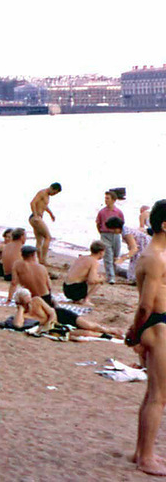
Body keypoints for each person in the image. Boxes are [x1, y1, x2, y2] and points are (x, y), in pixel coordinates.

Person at [126, 199, 166, 476]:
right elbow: (145, 305)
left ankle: (141, 451)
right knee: (159, 397)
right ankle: (146, 458)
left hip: (157, 323)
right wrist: (134, 331)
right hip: (157, 325)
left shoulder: (158, 254)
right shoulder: (154, 257)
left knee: (153, 393)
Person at [62, 241, 106, 306]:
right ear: (101, 252)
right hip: (74, 290)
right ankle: (86, 300)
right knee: (98, 281)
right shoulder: (94, 261)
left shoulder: (82, 257)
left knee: (91, 277)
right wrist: (101, 279)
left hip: (66, 288)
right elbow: (92, 280)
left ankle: (77, 299)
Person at [28, 182, 61, 266]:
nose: (54, 195)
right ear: (52, 188)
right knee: (48, 237)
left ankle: (40, 260)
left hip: (38, 217)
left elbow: (44, 206)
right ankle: (43, 259)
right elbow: (32, 203)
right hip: (35, 217)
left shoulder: (47, 196)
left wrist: (51, 214)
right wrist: (36, 215)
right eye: (54, 193)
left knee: (39, 240)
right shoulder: (42, 193)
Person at [96, 190, 125, 285]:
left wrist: (120, 233)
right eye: (105, 198)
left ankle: (114, 273)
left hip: (116, 235)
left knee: (115, 255)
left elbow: (122, 224)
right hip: (105, 234)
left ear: (113, 200)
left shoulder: (118, 212)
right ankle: (111, 277)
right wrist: (101, 233)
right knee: (108, 256)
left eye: (108, 198)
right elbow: (98, 223)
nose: (106, 200)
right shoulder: (102, 212)